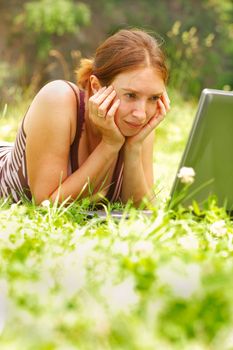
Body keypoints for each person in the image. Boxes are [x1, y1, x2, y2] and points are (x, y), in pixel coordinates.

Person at [0, 28, 170, 206]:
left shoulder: (139, 123)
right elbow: (47, 205)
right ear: (96, 86)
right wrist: (110, 145)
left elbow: (142, 210)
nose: (141, 114)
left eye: (154, 98)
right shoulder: (58, 99)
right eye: (130, 95)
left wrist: (133, 147)